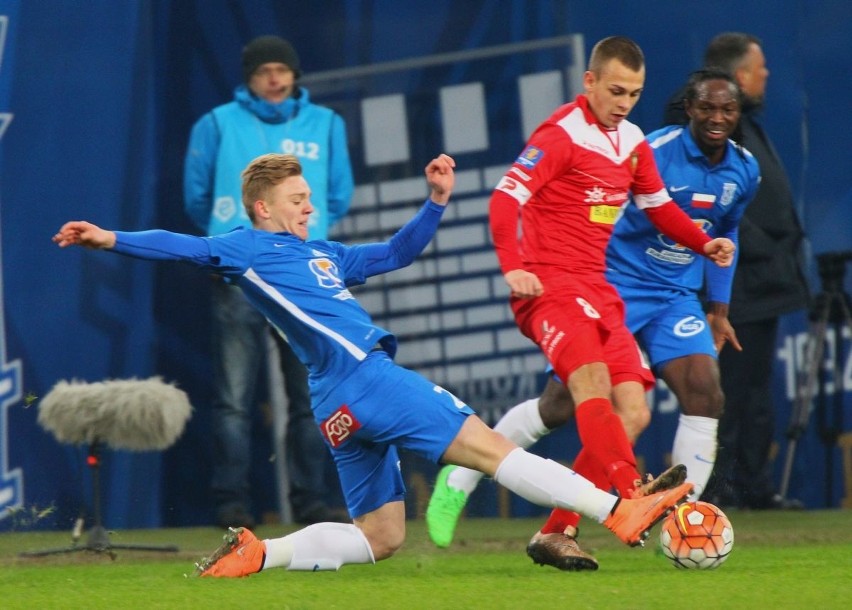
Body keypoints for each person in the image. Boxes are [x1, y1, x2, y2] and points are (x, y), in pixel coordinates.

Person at [53, 152, 694, 577]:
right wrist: (110, 238)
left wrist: (436, 203)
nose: (307, 206)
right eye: (296, 198)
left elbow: (394, 253)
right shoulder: (245, 248)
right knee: (493, 450)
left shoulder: (323, 255)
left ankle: (259, 553)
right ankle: (619, 510)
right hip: (367, 378)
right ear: (263, 208)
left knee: (381, 536)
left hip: (334, 403)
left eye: (307, 197)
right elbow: (182, 247)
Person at [427, 68, 760, 571]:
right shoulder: (561, 136)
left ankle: (565, 528)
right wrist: (514, 266)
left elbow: (661, 207)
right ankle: (626, 495)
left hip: (607, 293)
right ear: (590, 82)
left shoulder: (632, 141)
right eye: (615, 90)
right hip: (558, 286)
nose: (624, 103)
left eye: (634, 94)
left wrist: (703, 246)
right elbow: (504, 199)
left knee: (636, 411)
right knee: (581, 393)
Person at [183, 34, 354, 527]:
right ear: (250, 79)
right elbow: (197, 197)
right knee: (234, 396)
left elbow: (338, 194)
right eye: (263, 71)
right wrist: (232, 239)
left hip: (303, 275)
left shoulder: (326, 124)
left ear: (295, 75)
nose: (274, 78)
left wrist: (305, 234)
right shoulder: (217, 123)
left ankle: (310, 501)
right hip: (239, 273)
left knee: (311, 394)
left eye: (282, 69)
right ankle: (230, 503)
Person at [664, 33, 810, 510]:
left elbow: (740, 197)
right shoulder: (686, 135)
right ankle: (713, 490)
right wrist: (762, 249)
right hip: (731, 282)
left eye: (726, 109)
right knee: (718, 391)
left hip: (764, 283)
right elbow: (714, 212)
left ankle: (753, 485)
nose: (719, 117)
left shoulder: (742, 128)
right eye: (759, 67)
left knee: (754, 392)